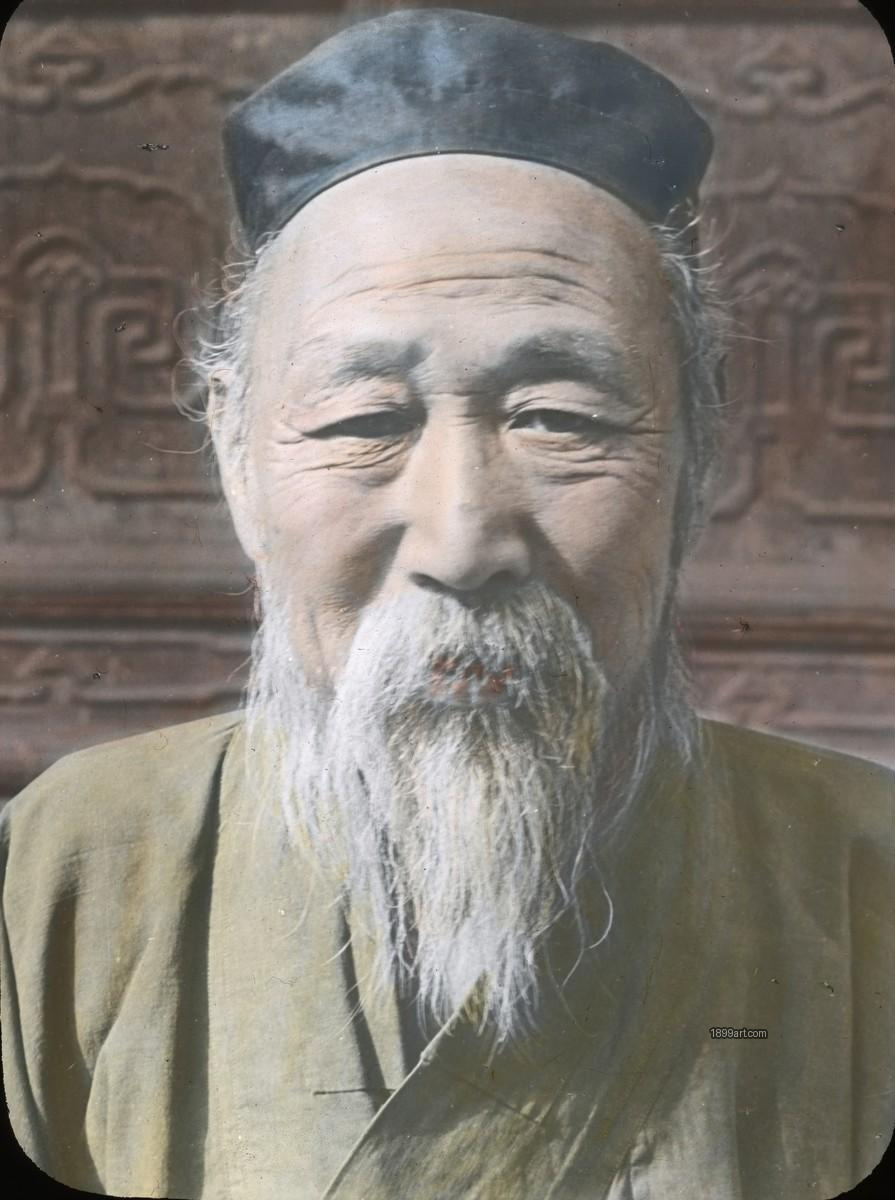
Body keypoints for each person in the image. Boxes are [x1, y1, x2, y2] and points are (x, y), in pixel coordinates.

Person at [1, 9, 892, 1199]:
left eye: (558, 419)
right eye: (365, 420)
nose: (463, 540)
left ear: (698, 446)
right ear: (235, 454)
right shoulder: (60, 872)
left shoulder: (868, 874)